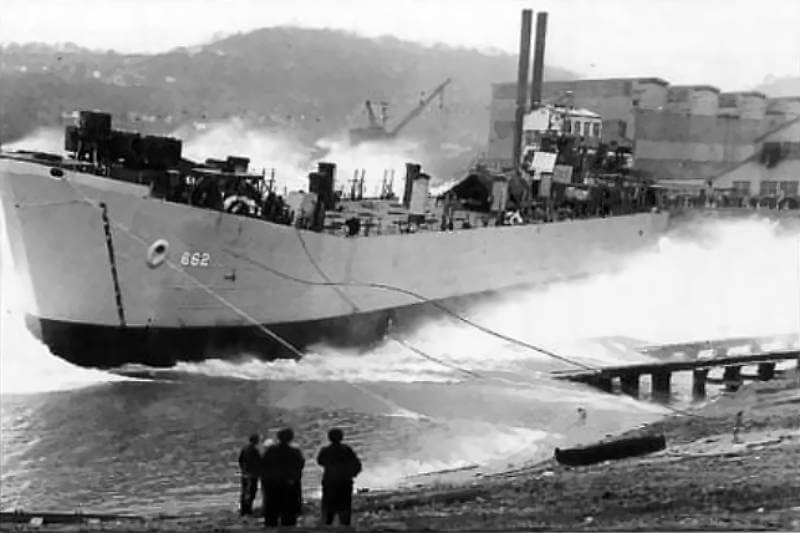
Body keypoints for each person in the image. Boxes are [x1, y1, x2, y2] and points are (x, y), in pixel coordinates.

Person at [317, 428, 362, 527]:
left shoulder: (325, 450)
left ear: (329, 438)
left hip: (329, 481)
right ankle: (345, 525)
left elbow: (320, 462)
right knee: (345, 505)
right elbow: (357, 464)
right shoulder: (346, 449)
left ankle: (328, 525)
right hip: (344, 481)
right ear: (341, 437)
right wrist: (352, 474)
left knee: (328, 505)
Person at [261, 428, 305, 528]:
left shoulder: (270, 451)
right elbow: (300, 465)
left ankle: (270, 527)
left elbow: (263, 466)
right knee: (289, 511)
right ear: (291, 438)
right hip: (289, 483)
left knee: (272, 511)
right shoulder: (295, 451)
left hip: (272, 484)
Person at [238, 433, 262, 517]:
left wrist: (243, 469)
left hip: (244, 473)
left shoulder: (244, 449)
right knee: (251, 492)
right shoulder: (255, 450)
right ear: (256, 441)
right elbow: (259, 462)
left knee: (244, 491)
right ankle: (248, 510)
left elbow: (240, 460)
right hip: (252, 474)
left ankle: (243, 509)